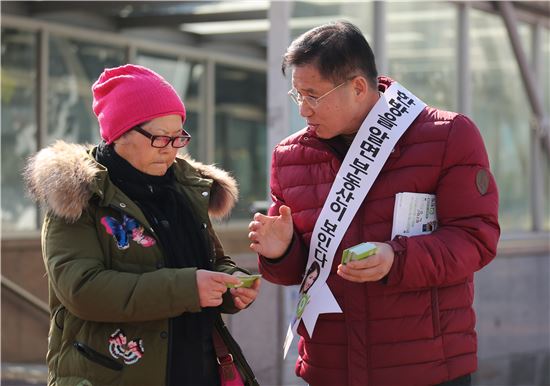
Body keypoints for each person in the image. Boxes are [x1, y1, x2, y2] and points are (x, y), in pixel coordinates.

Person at [249, 21, 499, 386]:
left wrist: (396, 259)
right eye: (297, 95)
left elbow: (476, 239)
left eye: (313, 95)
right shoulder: (290, 156)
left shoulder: (447, 135)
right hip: (331, 366)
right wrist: (279, 252)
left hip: (426, 365)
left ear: (358, 87)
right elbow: (299, 271)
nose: (303, 109)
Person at [24, 64, 260, 386]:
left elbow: (212, 261)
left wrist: (232, 285)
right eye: (161, 138)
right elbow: (82, 290)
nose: (172, 150)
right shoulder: (79, 195)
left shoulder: (184, 189)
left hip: (198, 369)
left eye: (179, 137)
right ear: (121, 134)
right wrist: (189, 288)